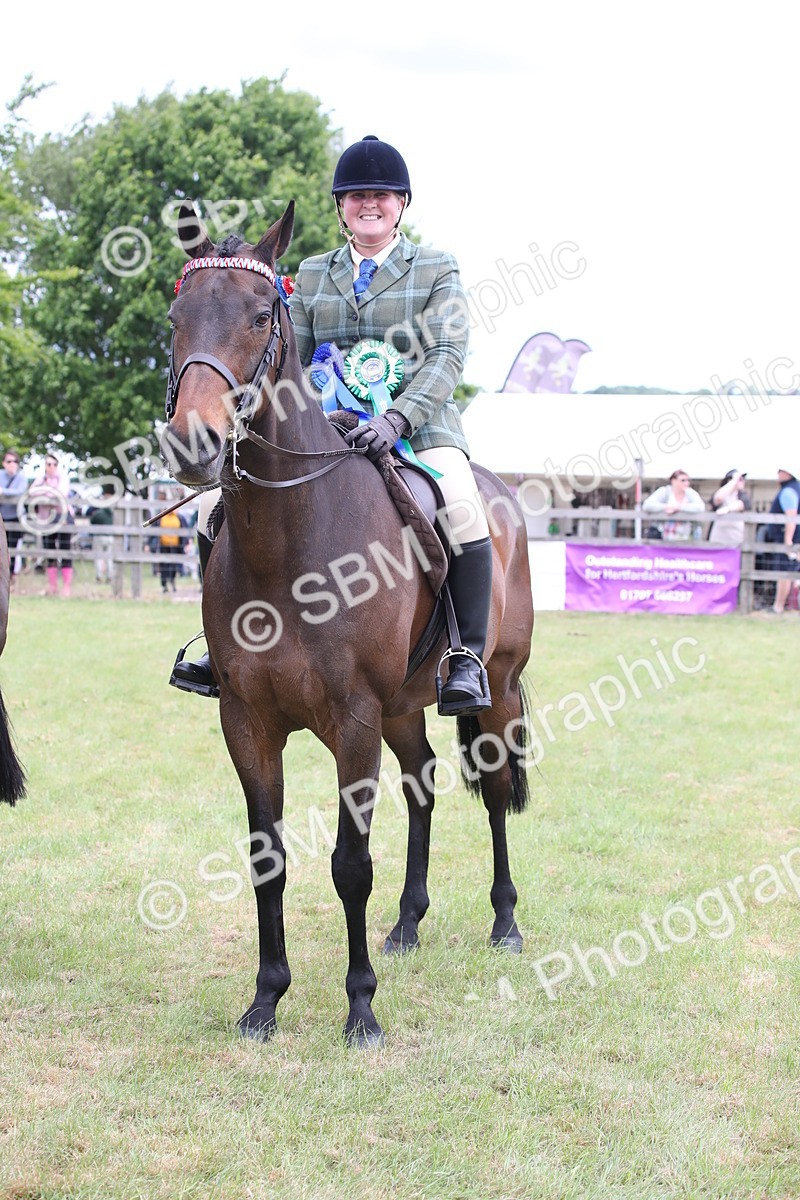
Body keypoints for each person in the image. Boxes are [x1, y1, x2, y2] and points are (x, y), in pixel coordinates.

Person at [172, 134, 492, 716]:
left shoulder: (438, 268)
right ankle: (217, 646)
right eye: (356, 196)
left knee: (464, 505)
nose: (369, 204)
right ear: (341, 206)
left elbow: (446, 355)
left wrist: (398, 418)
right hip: (325, 426)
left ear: (402, 203)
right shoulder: (314, 273)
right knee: (207, 506)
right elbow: (288, 352)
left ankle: (465, 656)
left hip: (418, 428)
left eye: (382, 195)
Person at [28, 452, 75, 596]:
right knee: (49, 552)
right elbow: (31, 492)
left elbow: (62, 493)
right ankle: (52, 586)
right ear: (45, 466)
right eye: (48, 464)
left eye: (54, 464)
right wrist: (48, 492)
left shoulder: (63, 478)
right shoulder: (40, 479)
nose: (51, 467)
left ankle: (66, 588)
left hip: (63, 517)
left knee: (65, 551)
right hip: (46, 519)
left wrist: (45, 493)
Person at [762, 466, 800, 614]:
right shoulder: (795, 488)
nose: (777, 474)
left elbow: (791, 515)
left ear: (787, 473)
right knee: (791, 572)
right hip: (796, 536)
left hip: (789, 537)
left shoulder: (788, 491)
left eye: (780, 471)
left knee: (783, 572)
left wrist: (787, 541)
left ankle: (778, 607)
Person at [642, 469, 705, 541]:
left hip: (686, 536)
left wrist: (678, 507)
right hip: (664, 535)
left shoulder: (690, 493)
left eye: (687, 480)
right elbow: (647, 505)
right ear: (673, 481)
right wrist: (667, 507)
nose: (686, 483)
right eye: (683, 480)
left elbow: (700, 507)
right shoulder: (664, 491)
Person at [0, 449, 28, 583]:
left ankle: (12, 575)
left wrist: (3, 491)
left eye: (15, 461)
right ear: (4, 463)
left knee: (13, 548)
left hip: (15, 517)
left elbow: (20, 491)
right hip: (1, 517)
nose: (12, 464)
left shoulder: (22, 478)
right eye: (9, 461)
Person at [708, 469, 751, 546]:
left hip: (735, 538)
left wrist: (727, 509)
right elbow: (718, 498)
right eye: (740, 479)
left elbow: (741, 504)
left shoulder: (743, 495)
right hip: (717, 538)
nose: (743, 481)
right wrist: (734, 480)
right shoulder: (721, 493)